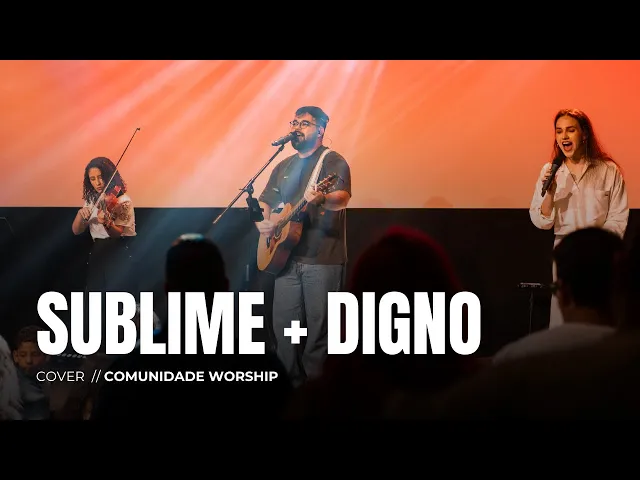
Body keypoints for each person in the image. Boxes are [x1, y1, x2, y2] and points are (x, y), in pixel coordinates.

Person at [256, 106, 352, 387]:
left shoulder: (331, 161)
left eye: (304, 124)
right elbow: (265, 200)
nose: (296, 127)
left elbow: (342, 197)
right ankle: (288, 388)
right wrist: (264, 223)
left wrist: (321, 198)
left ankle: (317, 392)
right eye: (294, 122)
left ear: (320, 130)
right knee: (284, 328)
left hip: (322, 258)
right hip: (285, 258)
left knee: (319, 330)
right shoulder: (284, 165)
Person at [529, 109, 629, 328]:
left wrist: (596, 246)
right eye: (559, 131)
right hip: (564, 254)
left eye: (570, 130)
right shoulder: (550, 170)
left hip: (598, 255)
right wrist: (550, 194)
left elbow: (618, 217)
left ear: (584, 134)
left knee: (596, 316)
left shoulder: (608, 170)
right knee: (563, 318)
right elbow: (541, 220)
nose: (564, 136)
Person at [71, 157, 137, 353]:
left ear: (109, 176)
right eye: (92, 179)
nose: (98, 182)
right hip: (98, 251)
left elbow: (117, 234)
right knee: (95, 302)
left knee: (119, 302)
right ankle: (98, 350)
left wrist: (107, 222)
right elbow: (76, 230)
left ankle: (122, 349)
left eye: (101, 177)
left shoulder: (123, 200)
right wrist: (81, 215)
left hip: (118, 250)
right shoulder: (91, 200)